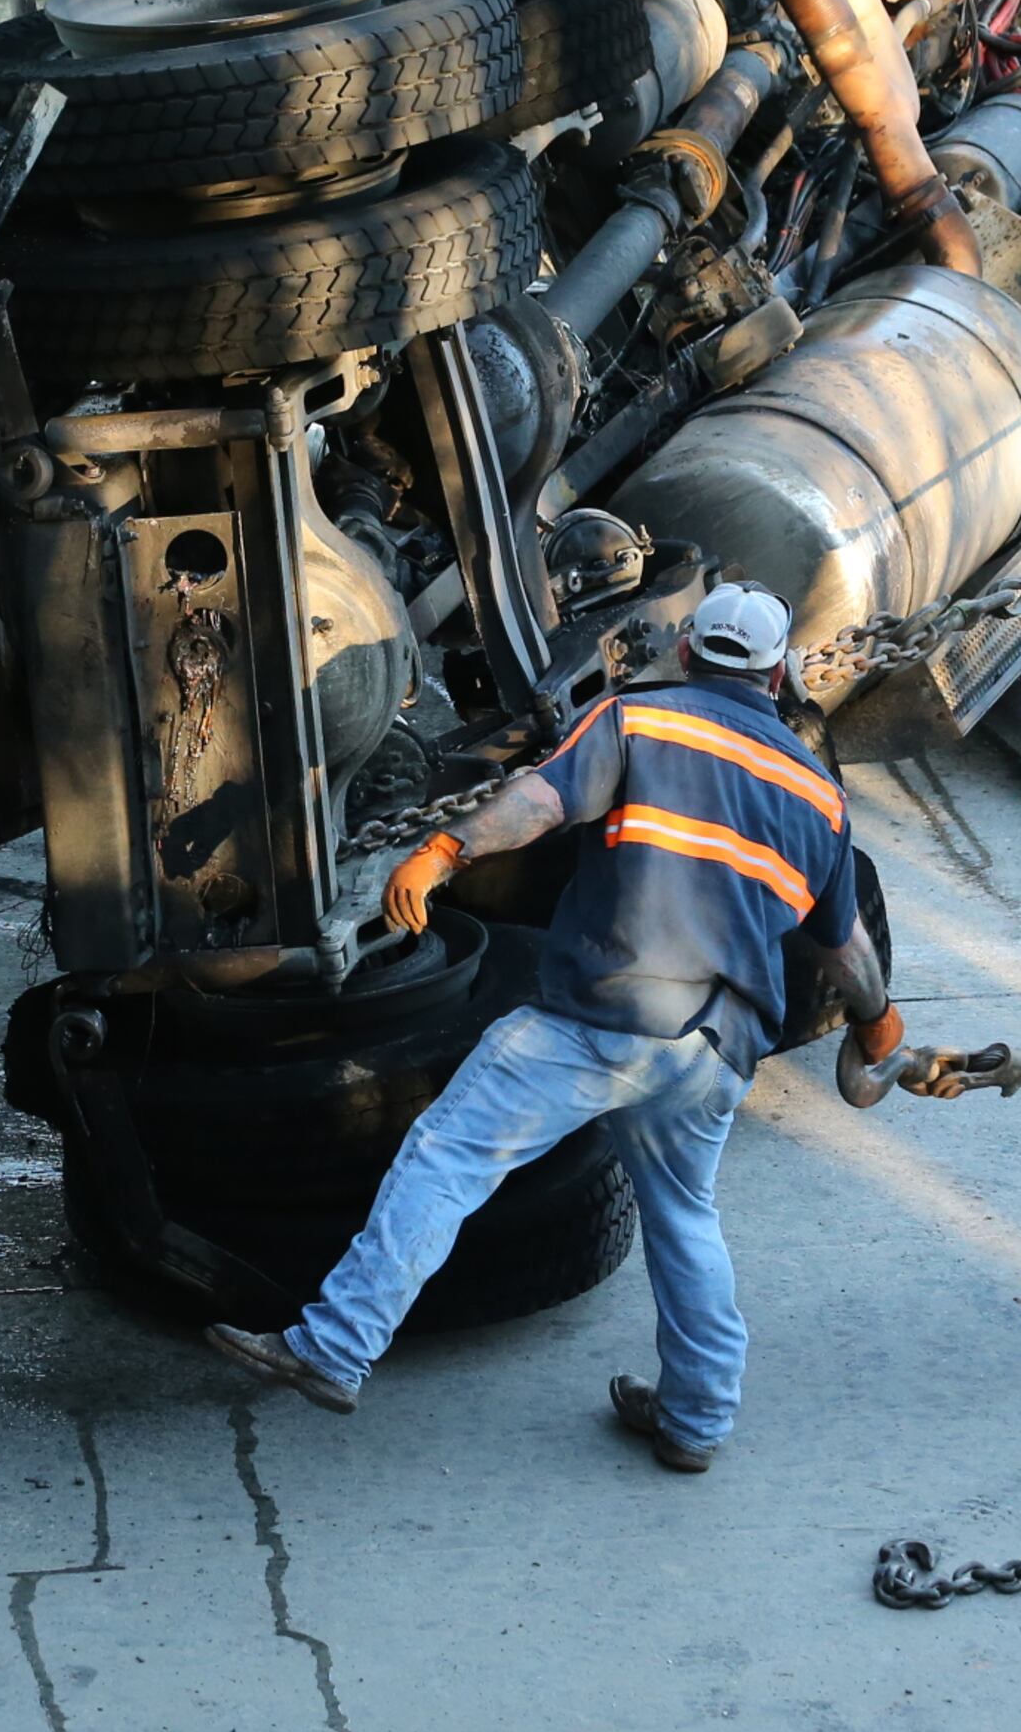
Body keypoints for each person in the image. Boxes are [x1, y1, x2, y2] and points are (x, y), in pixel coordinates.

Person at [202, 581, 932, 1471]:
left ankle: (333, 1347)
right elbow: (847, 946)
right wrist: (881, 1025)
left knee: (449, 1156)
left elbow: (540, 805)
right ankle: (697, 1422)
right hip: (714, 1049)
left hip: (604, 1013)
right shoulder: (815, 794)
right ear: (779, 677)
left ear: (691, 653)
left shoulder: (638, 720)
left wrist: (443, 850)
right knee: (685, 1219)